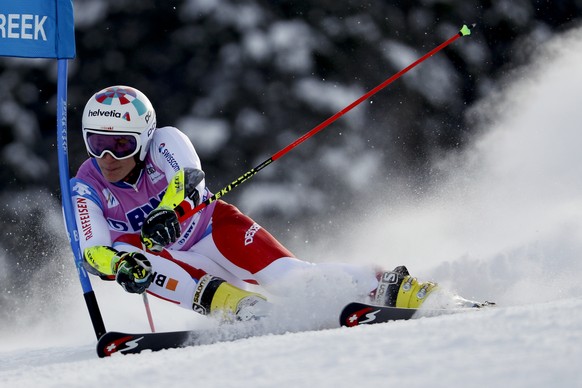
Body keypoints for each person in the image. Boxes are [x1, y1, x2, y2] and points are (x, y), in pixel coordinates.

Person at [71, 85, 438, 322]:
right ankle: (240, 310)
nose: (107, 156)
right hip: (177, 262)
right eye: (95, 143)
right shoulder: (87, 183)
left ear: (144, 137)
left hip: (215, 230)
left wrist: (170, 210)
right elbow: (93, 251)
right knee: (125, 251)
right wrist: (118, 266)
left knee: (292, 281)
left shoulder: (166, 140)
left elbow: (188, 177)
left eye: (121, 145)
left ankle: (394, 287)